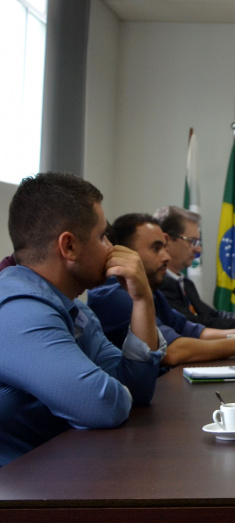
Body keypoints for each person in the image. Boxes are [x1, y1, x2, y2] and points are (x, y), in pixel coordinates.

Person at [0, 173, 165, 466]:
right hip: (16, 498)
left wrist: (142, 299)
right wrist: (111, 390)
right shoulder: (17, 310)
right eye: (102, 236)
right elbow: (102, 406)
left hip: (51, 480)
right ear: (69, 247)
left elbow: (136, 389)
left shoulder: (74, 309)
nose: (112, 248)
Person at [88, 214, 235, 367]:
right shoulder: (113, 295)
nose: (166, 256)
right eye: (156, 248)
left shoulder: (152, 292)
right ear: (125, 252)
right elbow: (171, 351)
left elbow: (191, 330)